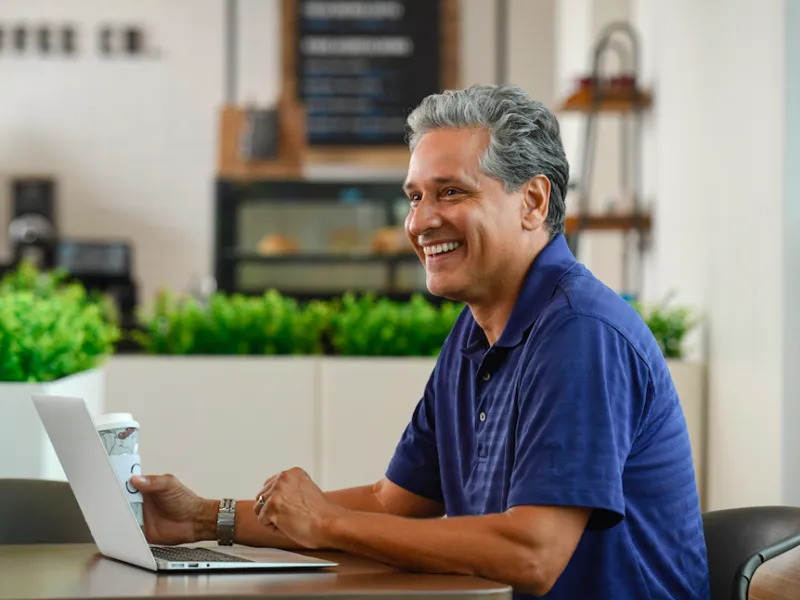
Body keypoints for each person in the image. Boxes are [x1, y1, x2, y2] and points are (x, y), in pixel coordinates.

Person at [132, 84, 710, 599]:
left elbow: (533, 553)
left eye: (451, 192)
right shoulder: (474, 331)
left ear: (533, 202)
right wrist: (204, 518)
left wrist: (326, 523)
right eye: (414, 197)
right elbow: (391, 502)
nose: (420, 221)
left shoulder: (581, 333)